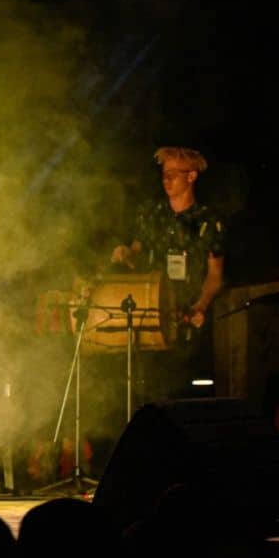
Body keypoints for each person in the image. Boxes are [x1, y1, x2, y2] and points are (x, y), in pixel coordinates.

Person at [111, 146, 226, 402]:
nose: (167, 179)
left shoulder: (207, 220)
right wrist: (126, 254)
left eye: (174, 173)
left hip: (186, 321)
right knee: (147, 393)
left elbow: (215, 275)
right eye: (164, 173)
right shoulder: (151, 214)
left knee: (184, 394)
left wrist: (201, 306)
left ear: (192, 176)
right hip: (150, 317)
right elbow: (137, 253)